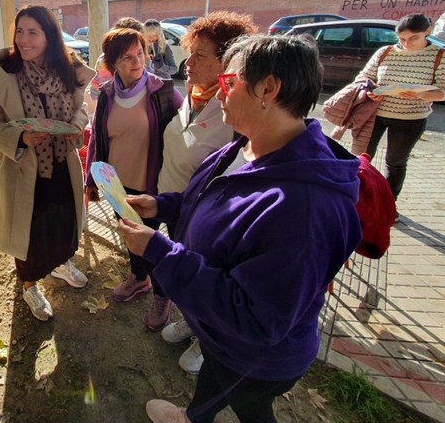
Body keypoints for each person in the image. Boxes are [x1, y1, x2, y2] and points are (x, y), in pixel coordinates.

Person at [118, 35, 362, 423]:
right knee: (214, 383)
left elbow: (255, 317)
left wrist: (160, 252)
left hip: (255, 357)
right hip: (221, 338)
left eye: (229, 83)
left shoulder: (305, 210)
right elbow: (214, 200)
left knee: (250, 405)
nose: (219, 94)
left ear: (268, 88)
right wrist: (164, 205)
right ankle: (193, 416)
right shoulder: (248, 146)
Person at [0, 5, 95, 321]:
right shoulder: (6, 74)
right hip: (24, 170)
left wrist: (76, 125)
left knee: (62, 221)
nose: (24, 40)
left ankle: (60, 264)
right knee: (28, 233)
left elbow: (81, 109)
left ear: (50, 37)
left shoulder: (66, 70)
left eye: (33, 32)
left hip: (62, 164)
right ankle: (29, 285)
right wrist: (20, 138)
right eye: (20, 31)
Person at [156, 12, 257, 370]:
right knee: (185, 272)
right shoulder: (193, 94)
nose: (188, 63)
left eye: (200, 56)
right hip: (174, 206)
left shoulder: (235, 113)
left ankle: (207, 337)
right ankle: (192, 320)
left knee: (207, 275)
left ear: (228, 63)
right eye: (190, 52)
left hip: (208, 218)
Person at [84, 26, 182, 330]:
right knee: (129, 235)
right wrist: (92, 179)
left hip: (152, 187)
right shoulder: (107, 94)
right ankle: (140, 279)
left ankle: (162, 295)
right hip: (116, 185)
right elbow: (98, 139)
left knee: (152, 243)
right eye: (127, 57)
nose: (137, 61)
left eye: (140, 53)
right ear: (113, 62)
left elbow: (185, 133)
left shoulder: (163, 92)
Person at [358, 13, 445, 203]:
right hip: (374, 114)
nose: (406, 43)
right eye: (401, 39)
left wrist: (422, 95)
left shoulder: (439, 55)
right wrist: (370, 90)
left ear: (427, 31)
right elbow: (363, 77)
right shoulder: (385, 52)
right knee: (361, 158)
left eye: (413, 38)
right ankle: (358, 200)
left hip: (410, 119)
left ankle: (389, 203)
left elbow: (443, 91)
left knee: (395, 162)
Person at [143, 19, 178, 83]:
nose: (151, 38)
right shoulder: (141, 47)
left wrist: (161, 66)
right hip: (146, 83)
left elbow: (174, 69)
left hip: (162, 83)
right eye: (149, 35)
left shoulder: (164, 47)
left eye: (154, 35)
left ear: (159, 35)